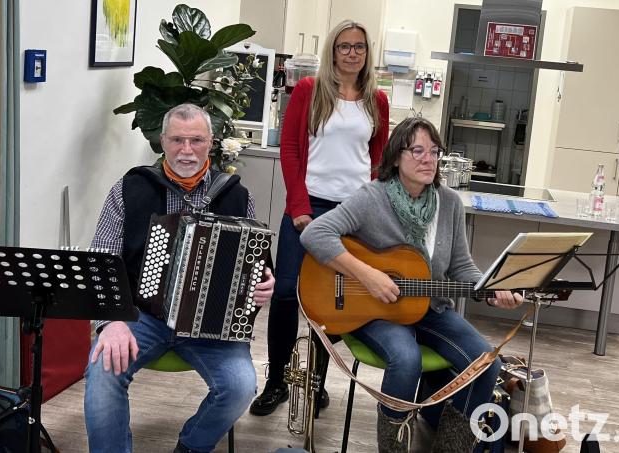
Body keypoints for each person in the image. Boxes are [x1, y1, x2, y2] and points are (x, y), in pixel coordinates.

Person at [299, 117, 524, 452]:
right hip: (373, 311)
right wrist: (368, 275)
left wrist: (491, 290)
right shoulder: (372, 198)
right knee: (406, 359)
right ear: (395, 158)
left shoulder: (449, 203)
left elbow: (461, 265)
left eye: (434, 152)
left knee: (485, 363)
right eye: (417, 150)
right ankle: (393, 447)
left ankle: (452, 447)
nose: (427, 159)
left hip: (430, 307)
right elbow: (314, 233)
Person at [84, 103, 275, 453]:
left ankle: (191, 447)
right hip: (143, 317)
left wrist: (264, 284)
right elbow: (102, 261)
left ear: (211, 142)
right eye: (177, 140)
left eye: (196, 140)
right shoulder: (130, 188)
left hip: (211, 328)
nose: (186, 150)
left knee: (241, 386)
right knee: (103, 370)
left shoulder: (234, 194)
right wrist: (110, 321)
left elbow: (258, 263)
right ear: (162, 141)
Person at [250, 19, 390, 416]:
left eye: (359, 47)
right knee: (284, 293)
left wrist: (371, 208)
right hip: (307, 207)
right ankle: (276, 381)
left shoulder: (375, 100)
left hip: (352, 214)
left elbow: (377, 160)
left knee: (331, 302)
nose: (351, 53)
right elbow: (291, 150)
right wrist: (299, 207)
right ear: (333, 51)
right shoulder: (310, 91)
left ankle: (316, 383)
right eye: (344, 46)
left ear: (367, 53)